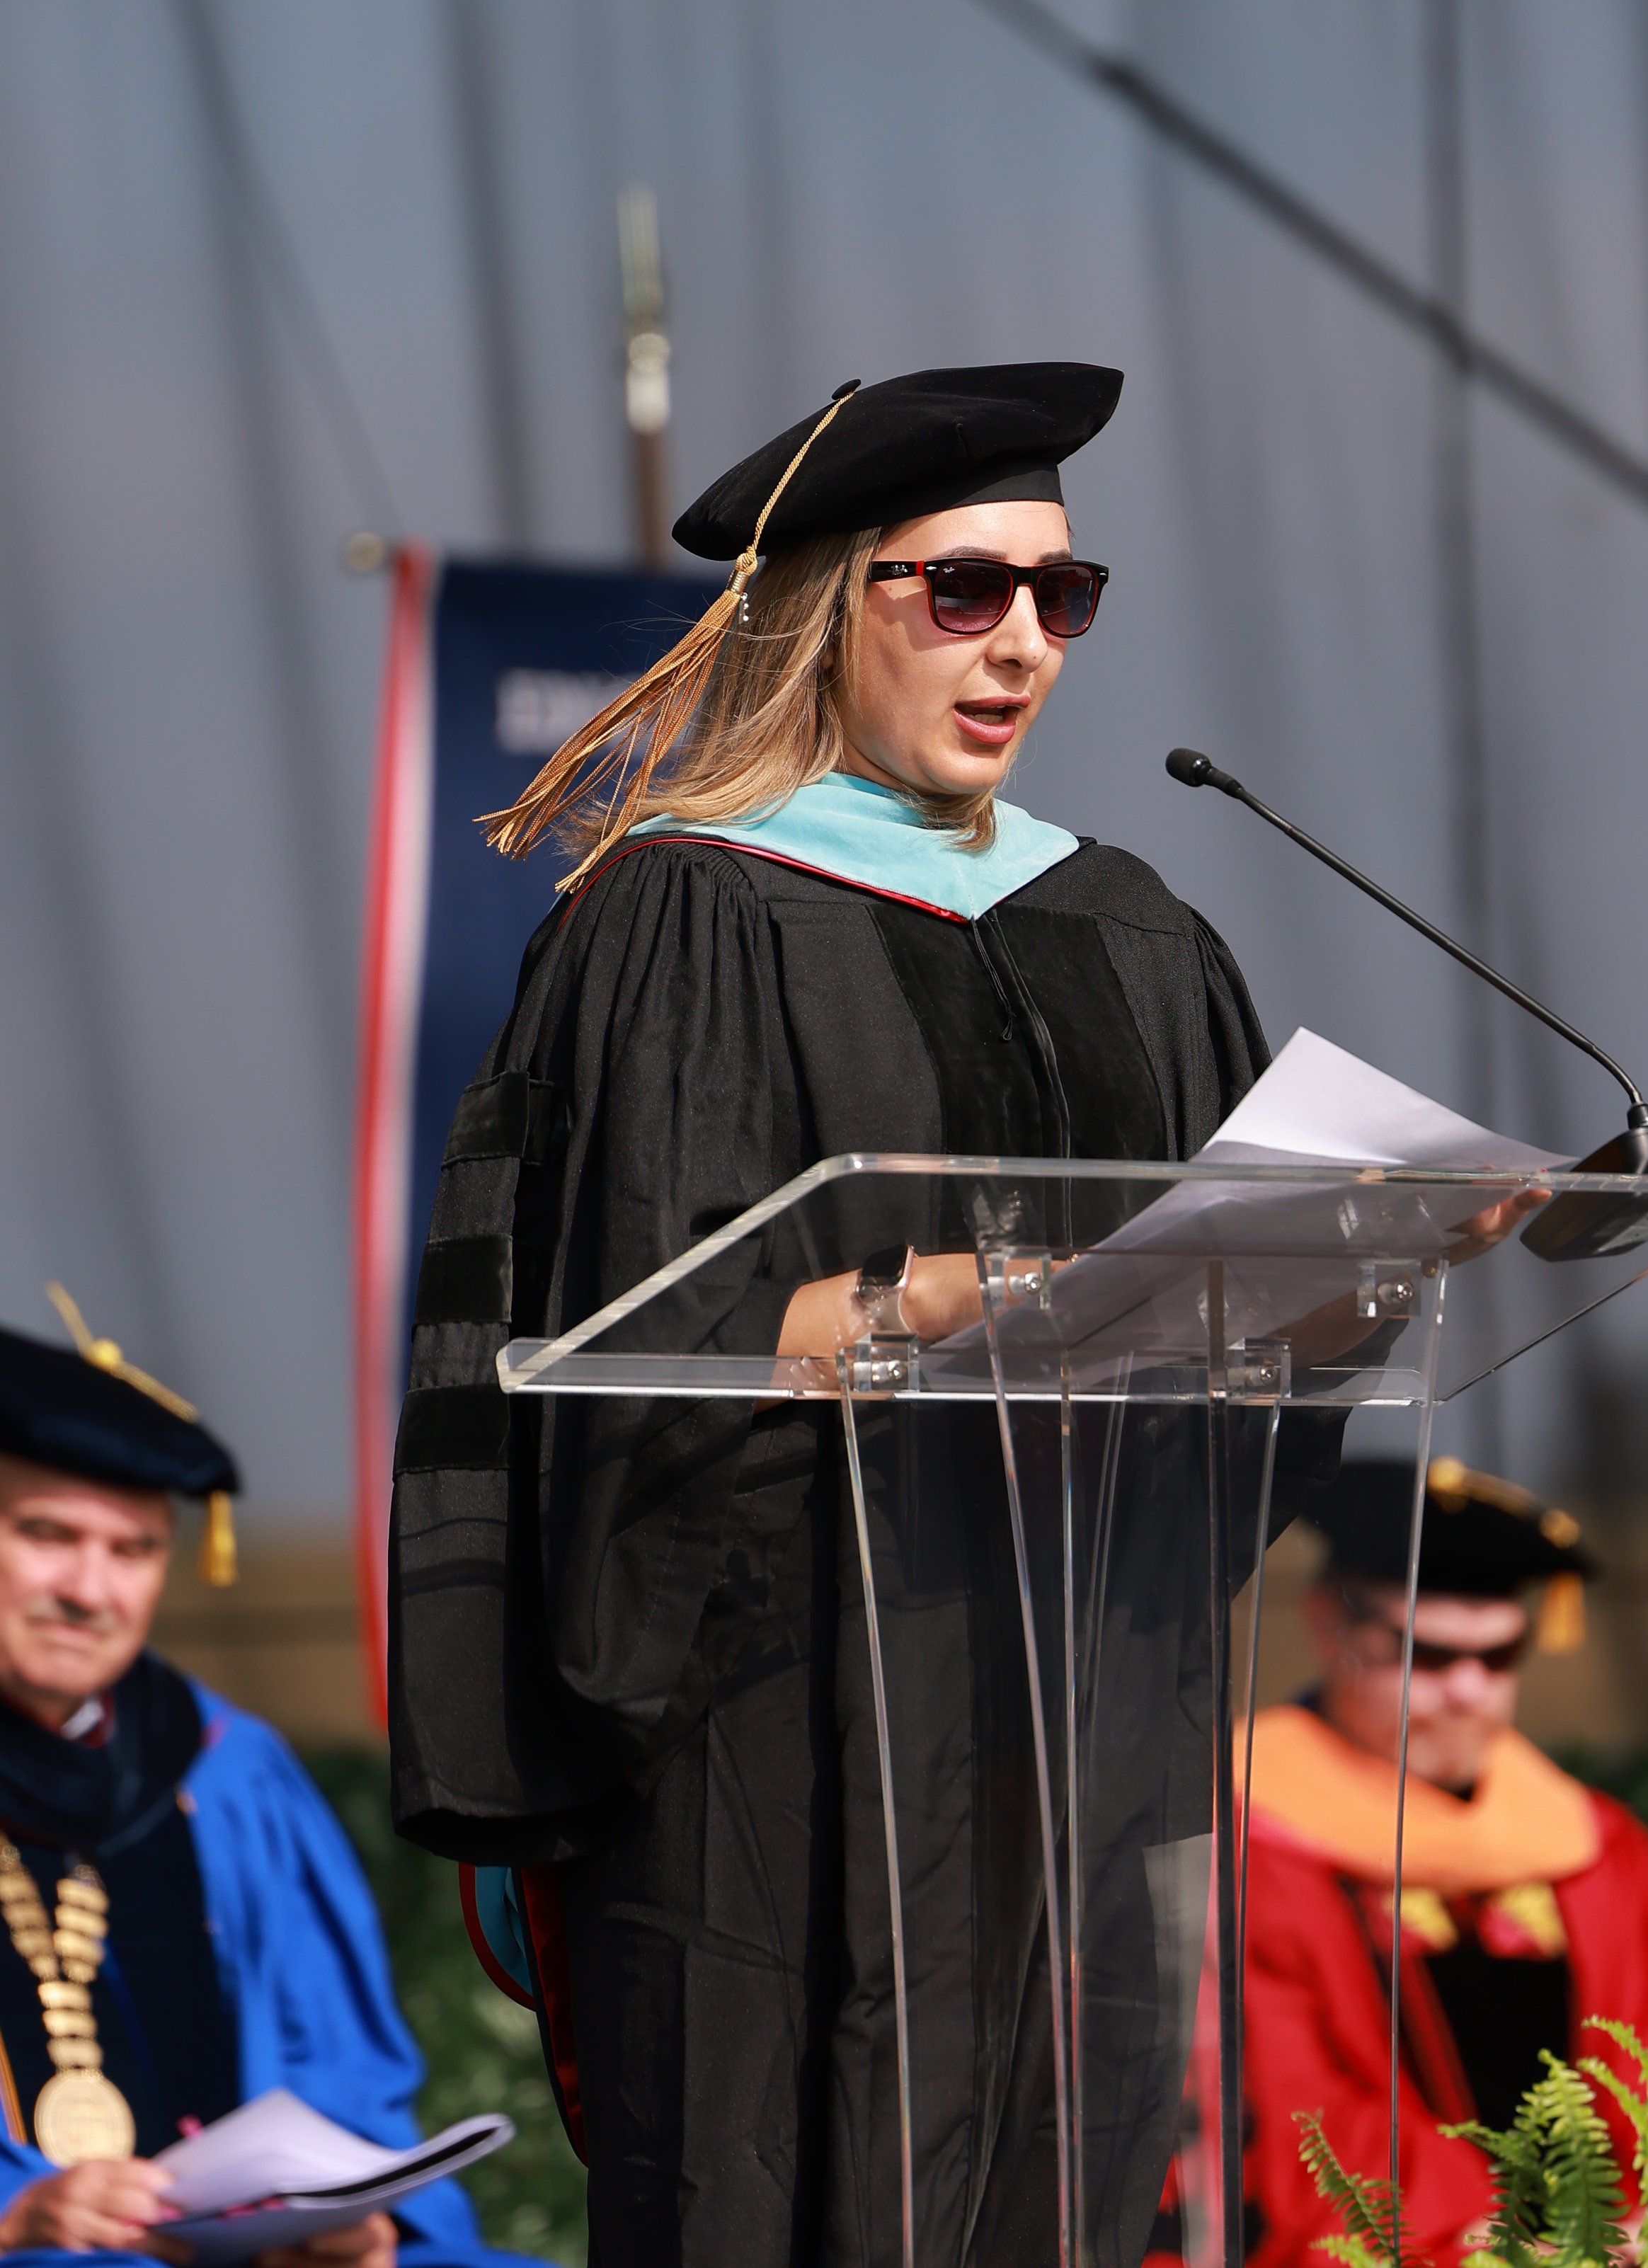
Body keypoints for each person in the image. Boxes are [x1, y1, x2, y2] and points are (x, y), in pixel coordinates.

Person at [388, 365, 1534, 2266]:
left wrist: (1359, 1265)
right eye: (964, 590)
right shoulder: (682, 917)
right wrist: (972, 1295)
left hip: (1073, 1717)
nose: (1021, 644)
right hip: (779, 1720)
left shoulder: (1135, 932)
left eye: (1061, 597)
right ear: (831, 602)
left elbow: (1226, 1349)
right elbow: (618, 1345)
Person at [0, 1308, 530, 2268]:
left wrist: (349, 2218)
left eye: (133, 1551)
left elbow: (341, 2075)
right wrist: (19, 2212)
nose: (91, 1590)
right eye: (47, 1534)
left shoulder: (222, 1765)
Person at [1235, 1456, 1648, 2268]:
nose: (1470, 1691)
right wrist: (1499, 2248)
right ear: (1329, 1626)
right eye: (1428, 1655)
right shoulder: (1249, 1839)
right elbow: (1305, 2117)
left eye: (1500, 1656)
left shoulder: (1593, 1845)